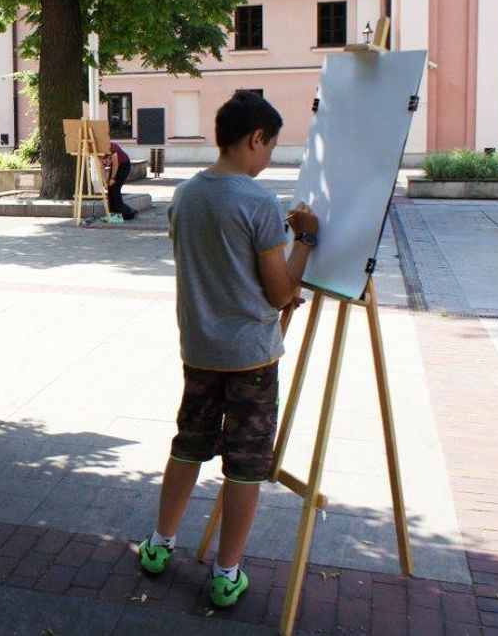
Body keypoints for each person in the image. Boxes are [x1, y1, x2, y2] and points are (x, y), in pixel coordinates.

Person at [138, 90, 319, 608]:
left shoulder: (186, 193)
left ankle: (158, 545)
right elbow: (281, 292)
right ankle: (225, 574)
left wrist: (276, 231)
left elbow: (220, 255)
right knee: (245, 465)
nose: (269, 158)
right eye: (270, 147)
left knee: (187, 446)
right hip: (251, 358)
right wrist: (304, 240)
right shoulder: (259, 202)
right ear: (255, 138)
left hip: (198, 348)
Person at [101, 141, 137, 222]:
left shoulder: (112, 149)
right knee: (110, 190)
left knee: (115, 189)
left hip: (124, 165)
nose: (104, 161)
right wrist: (105, 182)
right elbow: (101, 169)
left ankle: (127, 215)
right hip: (115, 167)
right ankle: (113, 215)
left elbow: (116, 165)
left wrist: (113, 178)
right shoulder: (98, 152)